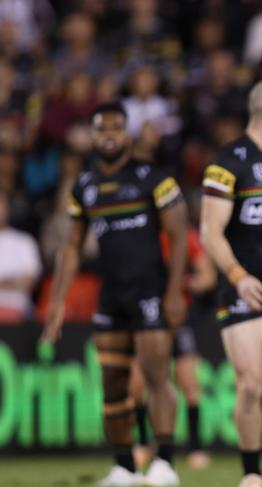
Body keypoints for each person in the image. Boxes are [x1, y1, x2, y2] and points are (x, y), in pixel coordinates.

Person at [41, 101, 187, 487]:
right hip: (112, 296)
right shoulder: (85, 187)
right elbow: (71, 247)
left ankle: (165, 462)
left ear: (127, 134)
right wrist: (56, 304)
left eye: (116, 128)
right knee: (112, 383)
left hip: (150, 291)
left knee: (157, 375)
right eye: (101, 129)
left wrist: (174, 294)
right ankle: (124, 465)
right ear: (92, 135)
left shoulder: (152, 177)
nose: (108, 135)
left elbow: (178, 235)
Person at [200, 78, 262, 487]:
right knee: (251, 382)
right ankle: (252, 472)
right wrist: (237, 277)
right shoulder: (229, 160)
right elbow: (210, 232)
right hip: (245, 287)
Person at [130, 226, 216, 471]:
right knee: (137, 384)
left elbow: (207, 276)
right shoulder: (141, 236)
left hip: (178, 319)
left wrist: (185, 283)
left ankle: (195, 447)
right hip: (147, 316)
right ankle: (143, 443)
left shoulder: (185, 237)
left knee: (189, 384)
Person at [0, 189, 41, 322]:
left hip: (19, 313)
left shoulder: (25, 242)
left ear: (8, 207)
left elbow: (29, 283)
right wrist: (13, 282)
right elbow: (20, 282)